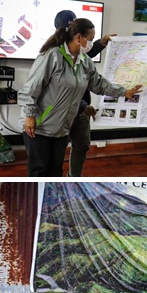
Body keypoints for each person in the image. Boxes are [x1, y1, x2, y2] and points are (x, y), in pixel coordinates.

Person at [18, 18, 142, 176]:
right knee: (39, 170)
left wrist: (124, 91)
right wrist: (29, 115)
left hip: (61, 129)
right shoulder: (52, 56)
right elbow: (31, 88)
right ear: (78, 38)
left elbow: (99, 84)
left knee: (56, 171)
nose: (91, 43)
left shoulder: (85, 62)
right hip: (39, 126)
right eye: (90, 39)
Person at [54, 10, 117, 177]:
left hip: (82, 108)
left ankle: (74, 178)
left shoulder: (80, 54)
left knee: (81, 145)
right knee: (57, 148)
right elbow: (60, 89)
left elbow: (86, 55)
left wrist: (101, 43)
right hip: (60, 111)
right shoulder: (54, 54)